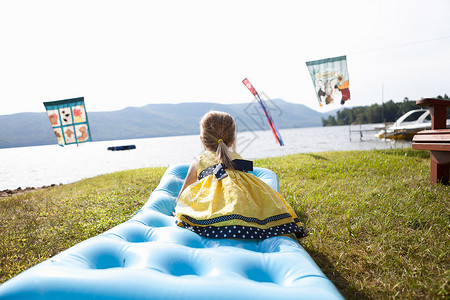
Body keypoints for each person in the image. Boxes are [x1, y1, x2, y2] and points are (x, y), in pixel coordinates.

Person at [174, 111, 306, 240]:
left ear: (202, 140)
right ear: (232, 140)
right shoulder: (237, 158)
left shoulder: (199, 160)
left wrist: (182, 211)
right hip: (245, 212)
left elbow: (183, 193)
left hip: (214, 213)